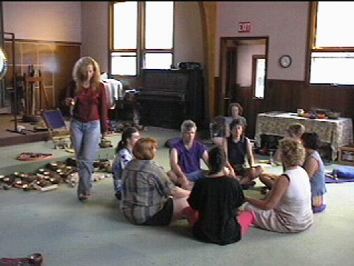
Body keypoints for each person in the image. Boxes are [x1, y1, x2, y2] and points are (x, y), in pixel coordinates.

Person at [184, 146, 255, 245]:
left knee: (187, 210)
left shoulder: (201, 183)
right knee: (248, 215)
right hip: (230, 233)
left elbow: (193, 206)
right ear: (224, 163)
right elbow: (238, 205)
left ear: (209, 162)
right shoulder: (234, 183)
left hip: (203, 233)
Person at [243, 137, 314, 233]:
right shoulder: (302, 171)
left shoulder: (285, 178)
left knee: (248, 207)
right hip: (307, 220)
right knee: (266, 198)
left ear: (284, 156)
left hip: (290, 224)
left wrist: (246, 198)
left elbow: (267, 206)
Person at [120, 137, 191, 225]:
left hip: (128, 213)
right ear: (150, 151)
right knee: (191, 200)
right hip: (147, 216)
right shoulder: (152, 168)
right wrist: (192, 193)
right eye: (154, 148)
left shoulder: (129, 165)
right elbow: (173, 191)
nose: (156, 150)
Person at [66, 56, 108, 201]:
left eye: (91, 71)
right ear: (80, 72)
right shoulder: (73, 85)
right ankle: (86, 187)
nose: (88, 74)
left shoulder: (100, 86)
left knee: (87, 158)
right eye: (86, 71)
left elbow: (103, 109)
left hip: (93, 125)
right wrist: (68, 102)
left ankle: (84, 190)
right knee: (80, 159)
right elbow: (66, 104)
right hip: (77, 124)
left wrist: (104, 130)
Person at [260, 123, 305, 188]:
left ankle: (277, 189)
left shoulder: (297, 147)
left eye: (288, 131)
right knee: (263, 176)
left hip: (292, 177)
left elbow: (276, 159)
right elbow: (276, 160)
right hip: (286, 175)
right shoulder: (287, 144)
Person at [168, 120, 209, 190]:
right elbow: (174, 164)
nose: (190, 136)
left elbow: (208, 161)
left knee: (213, 173)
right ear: (182, 133)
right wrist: (183, 177)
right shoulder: (175, 147)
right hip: (182, 175)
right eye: (187, 133)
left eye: (192, 133)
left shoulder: (199, 146)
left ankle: (191, 186)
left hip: (197, 173)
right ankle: (190, 185)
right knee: (170, 174)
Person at [225, 118, 263, 187]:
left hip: (242, 167)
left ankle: (238, 184)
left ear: (242, 130)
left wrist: (252, 167)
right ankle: (244, 182)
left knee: (259, 169)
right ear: (231, 130)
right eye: (234, 129)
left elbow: (250, 156)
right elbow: (225, 158)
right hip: (230, 167)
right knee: (224, 173)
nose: (237, 131)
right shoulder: (226, 141)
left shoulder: (246, 140)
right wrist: (231, 169)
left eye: (239, 128)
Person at [112, 127, 140, 200]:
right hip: (122, 190)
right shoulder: (124, 155)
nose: (139, 140)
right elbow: (129, 174)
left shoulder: (133, 151)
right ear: (128, 140)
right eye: (136, 138)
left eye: (139, 137)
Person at [301, 132, 327, 213]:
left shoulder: (312, 158)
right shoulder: (309, 154)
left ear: (303, 142)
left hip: (314, 197)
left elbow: (304, 180)